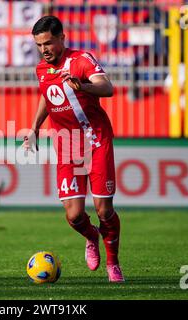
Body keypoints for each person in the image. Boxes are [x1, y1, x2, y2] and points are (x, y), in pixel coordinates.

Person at [23, 15, 124, 282]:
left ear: (61, 39)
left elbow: (108, 87)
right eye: (39, 45)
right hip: (67, 146)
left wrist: (84, 86)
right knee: (75, 215)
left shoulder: (80, 60)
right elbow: (47, 97)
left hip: (96, 142)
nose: (44, 49)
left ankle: (113, 264)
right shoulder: (41, 70)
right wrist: (33, 128)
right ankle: (92, 237)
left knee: (104, 210)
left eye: (48, 43)